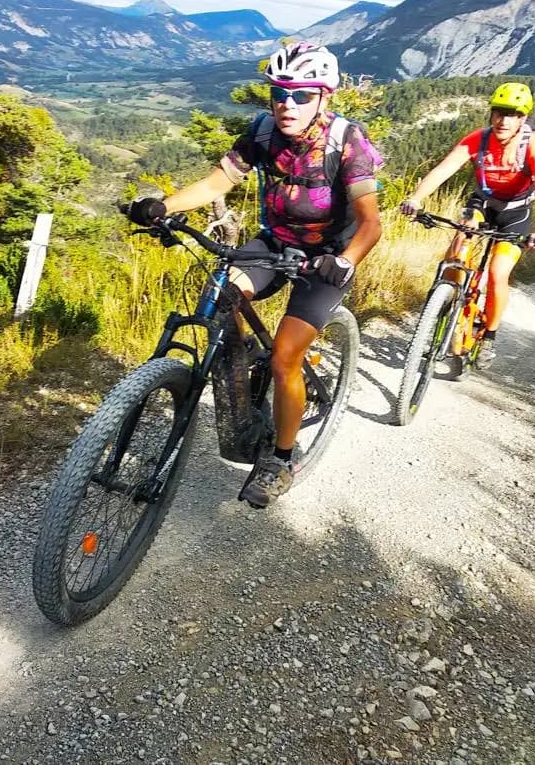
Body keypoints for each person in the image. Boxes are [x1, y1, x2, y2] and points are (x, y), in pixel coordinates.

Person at [125, 42, 384, 508]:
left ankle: (281, 458)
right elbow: (215, 184)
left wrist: (345, 260)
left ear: (324, 96)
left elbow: (371, 224)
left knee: (286, 356)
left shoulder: (347, 141)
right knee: (221, 292)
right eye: (279, 93)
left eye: (302, 95)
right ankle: (242, 374)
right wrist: (162, 205)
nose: (287, 104)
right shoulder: (264, 131)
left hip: (325, 257)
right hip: (274, 243)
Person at [399, 82, 535, 369]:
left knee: (497, 273)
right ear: (491, 114)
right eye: (499, 112)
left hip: (516, 213)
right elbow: (444, 169)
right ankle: (446, 305)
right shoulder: (478, 139)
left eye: (512, 114)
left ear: (523, 118)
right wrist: (416, 199)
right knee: (455, 253)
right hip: (481, 205)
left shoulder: (534, 146)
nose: (503, 120)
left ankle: (489, 337)